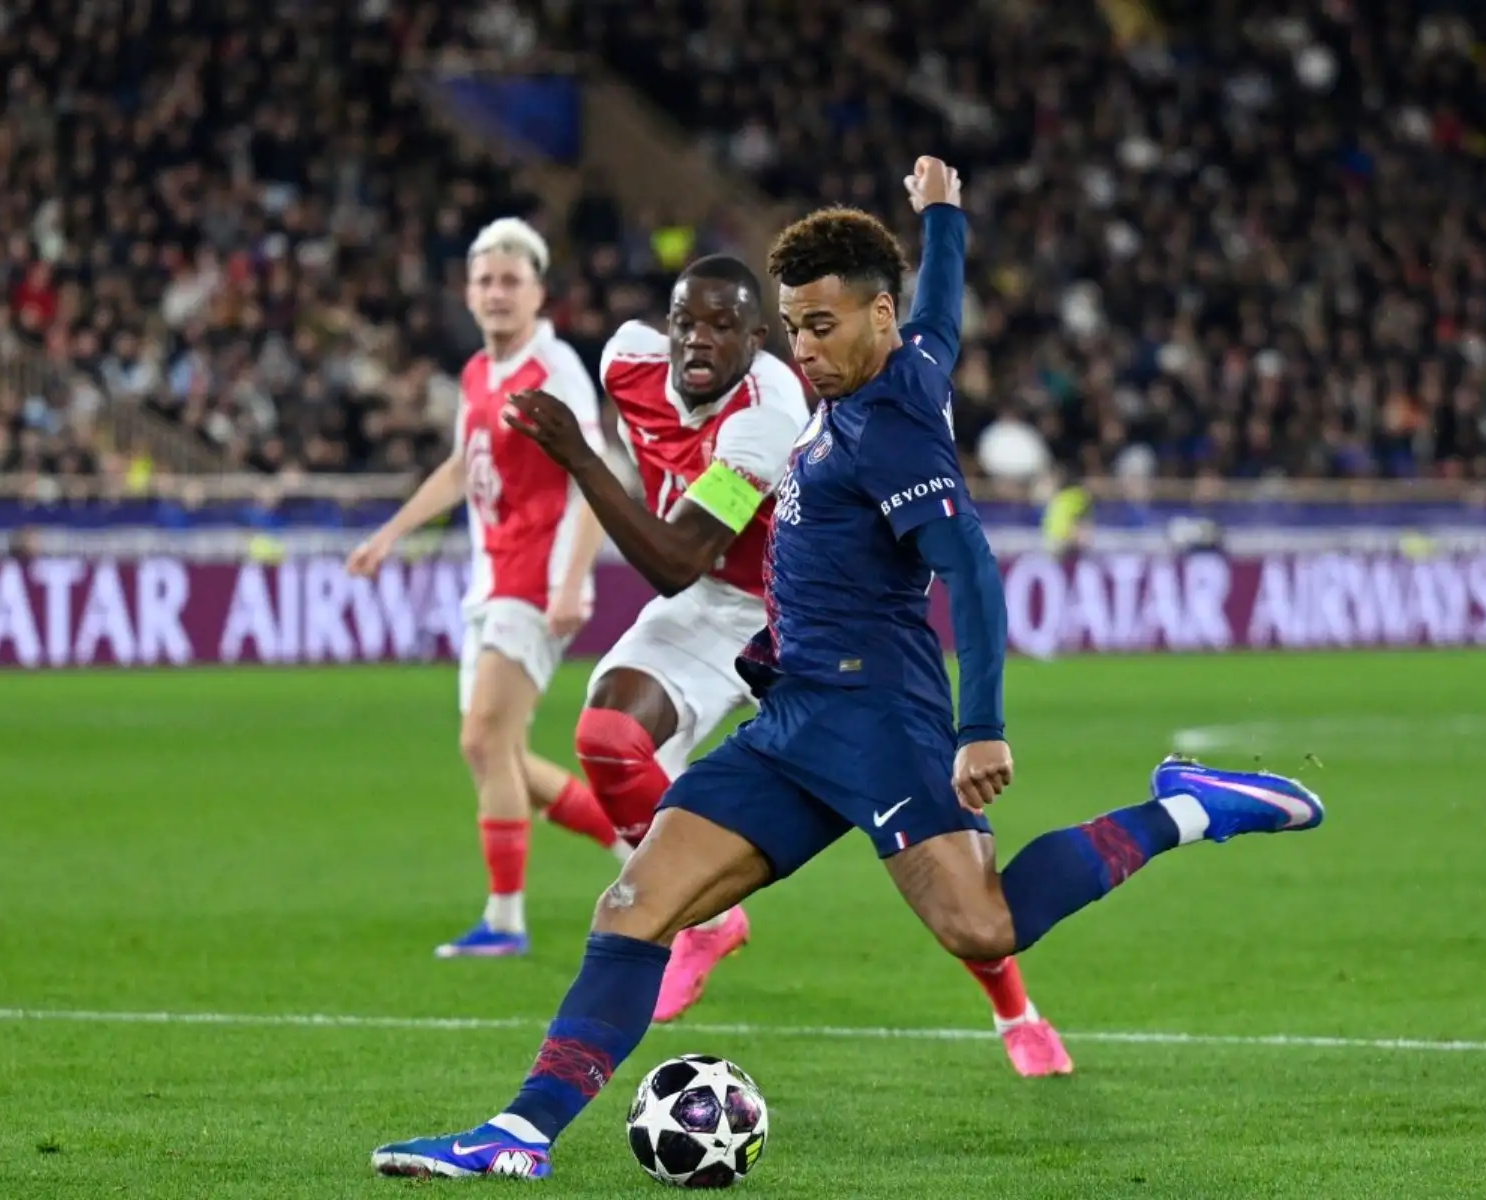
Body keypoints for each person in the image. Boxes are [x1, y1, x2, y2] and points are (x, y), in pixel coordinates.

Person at [369, 159, 1325, 1181]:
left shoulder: (896, 431)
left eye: (821, 327)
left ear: (876, 316)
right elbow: (944, 308)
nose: (804, 350)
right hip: (792, 715)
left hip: (882, 717)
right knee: (632, 904)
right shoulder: (907, 355)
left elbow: (972, 571)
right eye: (794, 326)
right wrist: (946, 216)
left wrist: (981, 725)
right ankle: (520, 1135)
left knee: (981, 925)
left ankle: (1186, 808)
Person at [499, 252, 1074, 1076]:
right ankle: (700, 921)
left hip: (806, 617)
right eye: (685, 323)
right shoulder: (625, 359)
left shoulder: (769, 412)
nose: (698, 341)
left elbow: (673, 557)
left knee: (931, 847)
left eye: (723, 327)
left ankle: (1014, 1008)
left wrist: (579, 458)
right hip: (714, 605)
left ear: (757, 338)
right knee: (607, 732)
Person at [346, 217, 624, 959]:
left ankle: (504, 922)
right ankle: (635, 848)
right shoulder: (477, 374)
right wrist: (390, 534)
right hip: (490, 578)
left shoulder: (554, 370)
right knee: (496, 755)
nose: (497, 293)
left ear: (539, 292)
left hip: (536, 581)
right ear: (467, 292)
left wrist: (571, 583)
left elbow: (596, 477)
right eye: (485, 281)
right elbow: (458, 469)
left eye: (511, 280)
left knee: (483, 738)